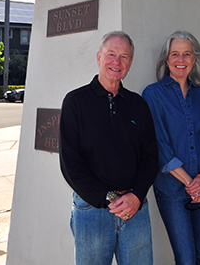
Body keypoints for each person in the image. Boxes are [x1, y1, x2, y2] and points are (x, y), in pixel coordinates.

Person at [59, 31, 160, 265]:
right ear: (98, 57)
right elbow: (71, 165)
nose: (117, 62)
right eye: (111, 54)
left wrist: (136, 196)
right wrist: (109, 197)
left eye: (124, 57)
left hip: (135, 207)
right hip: (91, 210)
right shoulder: (75, 102)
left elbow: (150, 157)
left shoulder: (138, 104)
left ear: (130, 63)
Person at [142, 31, 200, 265]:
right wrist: (190, 183)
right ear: (167, 60)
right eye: (175, 54)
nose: (181, 59)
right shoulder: (153, 94)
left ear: (194, 59)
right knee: (186, 259)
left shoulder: (199, 94)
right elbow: (159, 144)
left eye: (187, 54)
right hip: (172, 191)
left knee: (199, 255)